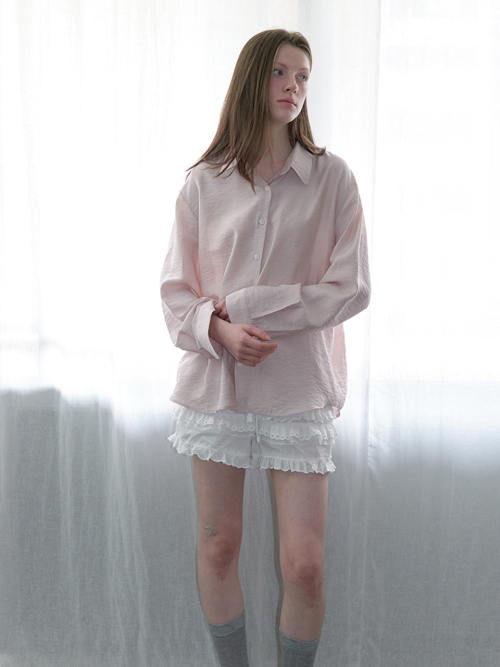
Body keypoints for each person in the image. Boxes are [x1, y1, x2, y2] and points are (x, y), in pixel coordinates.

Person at [160, 28, 370, 667]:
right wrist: (219, 330)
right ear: (252, 79)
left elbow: (351, 289)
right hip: (216, 387)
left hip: (297, 388)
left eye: (303, 76)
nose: (294, 87)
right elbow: (175, 296)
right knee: (218, 545)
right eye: (281, 72)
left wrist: (252, 307)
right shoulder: (203, 184)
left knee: (304, 565)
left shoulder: (333, 179)